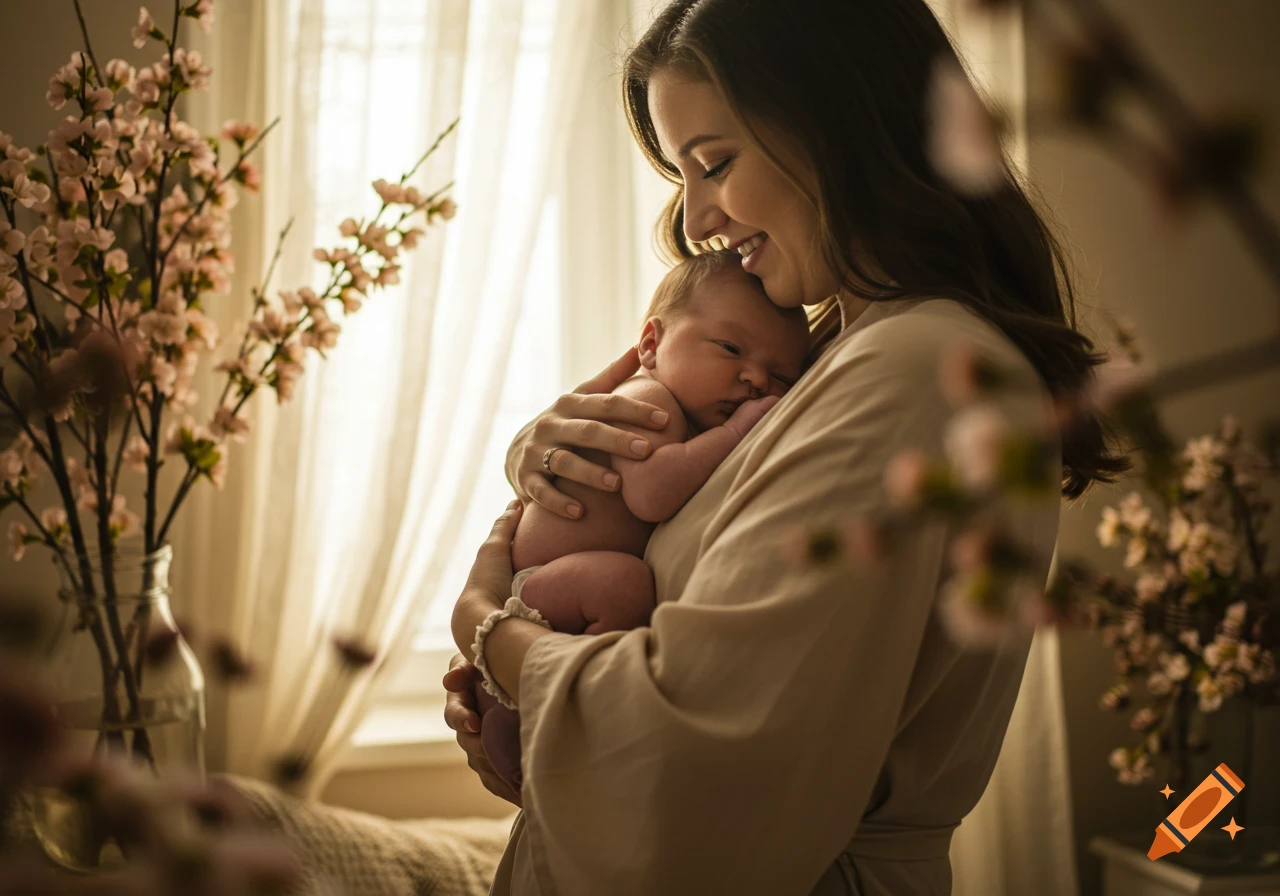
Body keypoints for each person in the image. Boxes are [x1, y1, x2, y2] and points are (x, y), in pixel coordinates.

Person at [444, 0, 1128, 893]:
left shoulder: (911, 366)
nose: (693, 222)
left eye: (714, 163)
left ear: (834, 123)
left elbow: (696, 741)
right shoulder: (835, 356)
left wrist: (495, 634)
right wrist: (548, 460)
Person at [472, 250, 810, 794]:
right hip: (533, 595)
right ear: (651, 345)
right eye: (731, 349)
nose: (754, 379)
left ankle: (538, 716)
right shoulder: (647, 401)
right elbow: (652, 492)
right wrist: (735, 433)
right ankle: (543, 717)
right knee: (624, 585)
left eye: (778, 376)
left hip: (556, 597)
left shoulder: (686, 419)